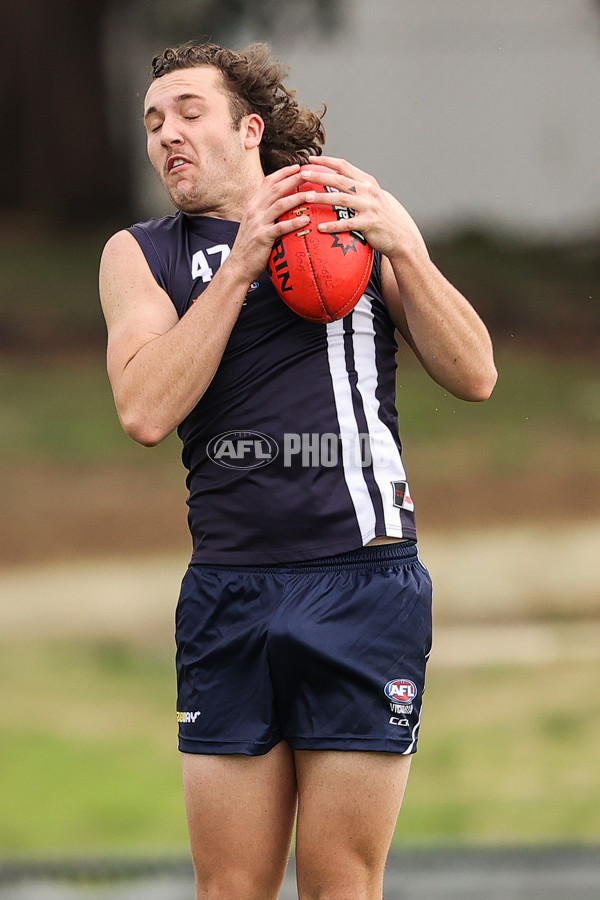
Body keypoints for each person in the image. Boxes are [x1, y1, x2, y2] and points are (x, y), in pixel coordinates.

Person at [99, 40, 497, 900]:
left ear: (248, 130)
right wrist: (241, 263)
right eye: (152, 122)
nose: (166, 133)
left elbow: (475, 374)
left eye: (188, 113)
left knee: (338, 882)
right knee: (232, 888)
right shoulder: (142, 254)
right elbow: (143, 410)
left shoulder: (349, 217)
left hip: (362, 583)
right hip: (229, 591)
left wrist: (409, 252)